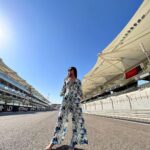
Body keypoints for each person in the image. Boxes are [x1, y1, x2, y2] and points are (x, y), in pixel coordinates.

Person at [45, 66, 88, 150]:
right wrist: (64, 88)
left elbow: (80, 92)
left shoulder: (79, 81)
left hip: (76, 101)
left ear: (74, 72)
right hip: (66, 101)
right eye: (68, 71)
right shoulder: (66, 80)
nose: (69, 73)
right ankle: (52, 143)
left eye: (70, 71)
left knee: (78, 122)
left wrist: (82, 97)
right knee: (60, 121)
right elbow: (62, 91)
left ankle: (72, 144)